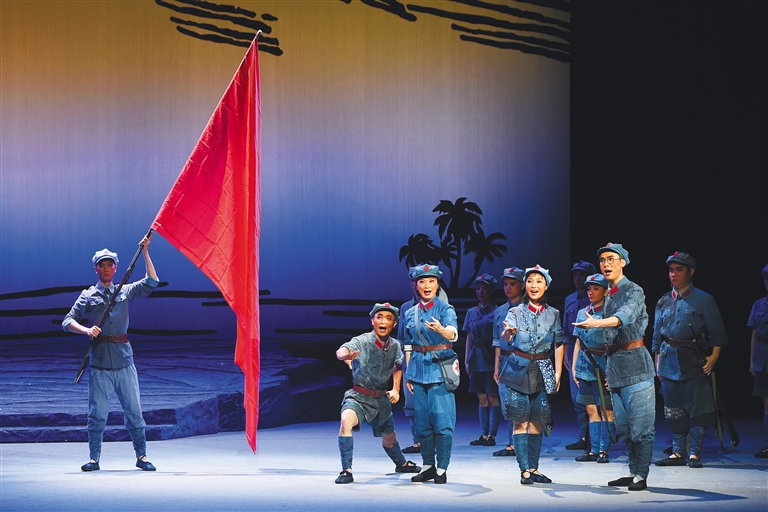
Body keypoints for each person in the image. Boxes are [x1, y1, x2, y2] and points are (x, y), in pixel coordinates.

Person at [62, 237, 158, 472]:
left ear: (115, 268)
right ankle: (94, 458)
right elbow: (67, 321)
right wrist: (86, 330)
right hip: (100, 363)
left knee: (134, 411)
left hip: (124, 361)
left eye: (110, 265)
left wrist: (145, 252)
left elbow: (152, 281)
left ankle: (142, 455)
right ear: (96, 269)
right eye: (101, 265)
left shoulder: (124, 291)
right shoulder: (88, 295)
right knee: (97, 415)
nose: (106, 269)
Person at [574, 243, 654, 491]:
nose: (606, 264)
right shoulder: (609, 293)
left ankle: (641, 474)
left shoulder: (633, 291)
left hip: (636, 365)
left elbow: (624, 317)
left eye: (611, 258)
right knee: (624, 426)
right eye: (602, 260)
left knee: (641, 425)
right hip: (616, 366)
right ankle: (633, 470)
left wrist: (596, 324)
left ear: (623, 262)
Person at [652, 252, 728, 469]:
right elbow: (657, 336)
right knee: (673, 410)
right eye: (671, 270)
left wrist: (713, 357)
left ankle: (694, 453)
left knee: (698, 410)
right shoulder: (663, 301)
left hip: (694, 362)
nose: (673, 274)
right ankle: (678, 452)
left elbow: (718, 334)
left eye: (679, 270)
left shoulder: (704, 299)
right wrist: (657, 362)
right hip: (668, 363)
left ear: (691, 272)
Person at [334, 303, 421, 484]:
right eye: (379, 317)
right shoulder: (363, 340)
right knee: (346, 421)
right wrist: (344, 356)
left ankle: (401, 463)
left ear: (394, 324)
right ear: (372, 320)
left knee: (389, 439)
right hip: (358, 397)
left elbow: (398, 365)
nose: (383, 321)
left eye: (388, 319)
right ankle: (346, 470)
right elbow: (343, 350)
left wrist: (396, 389)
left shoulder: (395, 345)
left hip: (380, 400)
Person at [498, 265, 564, 485]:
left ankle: (534, 468)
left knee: (537, 422)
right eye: (530, 281)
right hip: (518, 370)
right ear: (525, 285)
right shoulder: (515, 312)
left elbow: (559, 343)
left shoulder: (554, 314)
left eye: (539, 281)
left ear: (546, 286)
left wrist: (558, 373)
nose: (534, 285)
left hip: (543, 369)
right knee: (520, 422)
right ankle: (524, 470)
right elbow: (505, 337)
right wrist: (508, 333)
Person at [403, 264, 459, 484]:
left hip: (440, 370)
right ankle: (428, 466)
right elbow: (408, 345)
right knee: (422, 422)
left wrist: (441, 330)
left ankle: (442, 468)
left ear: (437, 284)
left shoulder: (445, 309)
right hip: (418, 371)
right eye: (422, 281)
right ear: (416, 285)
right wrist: (409, 373)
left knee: (442, 421)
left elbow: (452, 333)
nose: (427, 285)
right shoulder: (410, 313)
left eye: (431, 281)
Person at [397, 265, 451, 455]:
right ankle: (419, 441)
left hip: (435, 362)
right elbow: (404, 339)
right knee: (412, 405)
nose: (420, 285)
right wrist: (404, 364)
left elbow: (449, 335)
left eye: (429, 281)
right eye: (417, 281)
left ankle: (435, 442)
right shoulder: (407, 308)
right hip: (412, 360)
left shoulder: (441, 305)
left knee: (436, 406)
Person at [571, 273, 615, 463]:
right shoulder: (582, 312)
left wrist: (612, 373)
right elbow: (578, 342)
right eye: (589, 288)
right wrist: (574, 368)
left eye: (596, 288)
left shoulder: (610, 314)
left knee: (607, 410)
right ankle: (594, 450)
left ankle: (604, 450)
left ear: (605, 291)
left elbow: (614, 345)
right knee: (590, 410)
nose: (590, 292)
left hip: (603, 366)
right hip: (585, 366)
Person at [563, 260, 597, 450]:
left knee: (594, 399)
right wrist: (566, 355)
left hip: (592, 354)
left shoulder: (596, 298)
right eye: (575, 275)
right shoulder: (569, 299)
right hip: (573, 354)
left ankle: (596, 439)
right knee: (577, 399)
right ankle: (583, 437)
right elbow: (565, 331)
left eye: (582, 275)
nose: (578, 278)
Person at [492, 266, 526, 457]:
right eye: (505, 284)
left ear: (522, 286)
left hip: (521, 359)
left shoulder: (527, 309)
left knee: (521, 403)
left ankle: (522, 443)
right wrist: (496, 367)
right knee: (506, 403)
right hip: (505, 360)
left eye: (513, 284)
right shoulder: (499, 311)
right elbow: (497, 342)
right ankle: (512, 443)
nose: (508, 288)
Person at [465, 274, 501, 447]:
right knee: (481, 399)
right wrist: (466, 360)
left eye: (484, 288)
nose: (480, 292)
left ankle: (492, 435)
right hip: (476, 357)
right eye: (478, 288)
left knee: (493, 397)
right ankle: (483, 434)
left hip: (491, 357)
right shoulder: (471, 312)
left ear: (492, 290)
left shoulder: (498, 311)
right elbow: (469, 337)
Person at [749, 264, 768, 458]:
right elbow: (755, 333)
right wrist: (752, 360)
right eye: (766, 278)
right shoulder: (759, 304)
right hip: (764, 357)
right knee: (766, 403)